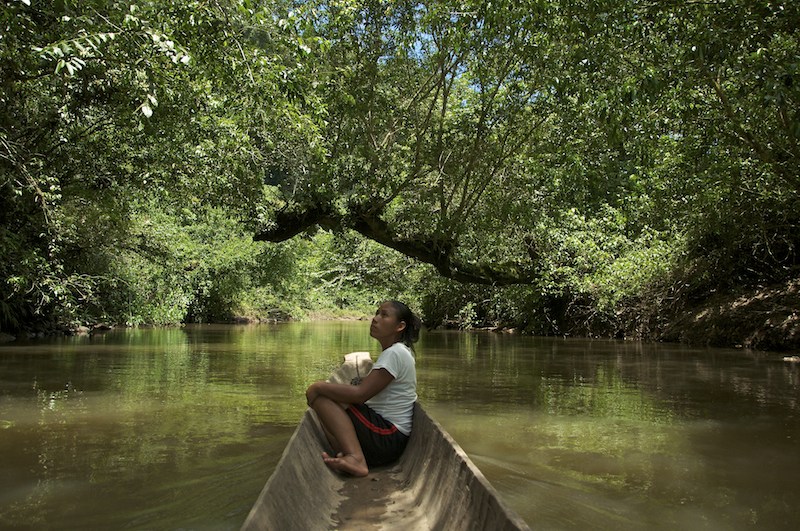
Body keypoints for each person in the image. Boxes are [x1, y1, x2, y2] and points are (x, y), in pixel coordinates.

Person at [305, 300, 421, 477]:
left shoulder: (395, 353)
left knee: (322, 398)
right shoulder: (399, 351)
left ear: (400, 326)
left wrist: (318, 386)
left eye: (384, 315)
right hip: (387, 439)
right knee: (329, 397)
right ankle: (349, 453)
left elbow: (360, 395)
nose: (375, 318)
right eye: (377, 313)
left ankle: (356, 459)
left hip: (387, 436)